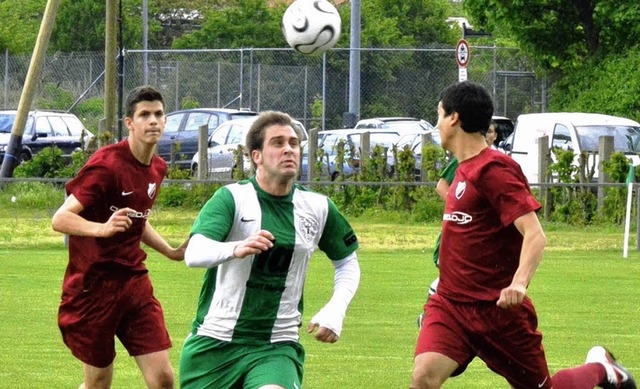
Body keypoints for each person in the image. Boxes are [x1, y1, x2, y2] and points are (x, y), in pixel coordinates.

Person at [411, 81, 636, 389]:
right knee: (423, 377)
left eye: (438, 114)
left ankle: (600, 368)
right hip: (451, 306)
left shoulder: (495, 170)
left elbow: (534, 234)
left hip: (499, 313)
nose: (436, 123)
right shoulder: (461, 168)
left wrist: (518, 283)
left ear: (453, 118)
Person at [179, 110, 361, 389]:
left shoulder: (318, 207)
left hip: (276, 344)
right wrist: (236, 247)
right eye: (277, 143)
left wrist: (336, 309)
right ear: (257, 156)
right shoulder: (231, 198)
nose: (288, 149)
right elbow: (194, 253)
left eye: (293, 142)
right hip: (214, 342)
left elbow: (347, 262)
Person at [51, 86, 187, 389]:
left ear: (165, 121)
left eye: (158, 114)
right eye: (144, 115)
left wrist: (170, 251)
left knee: (163, 379)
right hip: (94, 287)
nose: (153, 121)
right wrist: (101, 228)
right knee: (98, 383)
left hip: (133, 282)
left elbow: (138, 220)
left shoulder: (158, 168)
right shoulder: (107, 165)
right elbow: (60, 219)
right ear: (130, 123)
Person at [416, 121, 496, 328]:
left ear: (495, 136)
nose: (486, 135)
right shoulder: (464, 160)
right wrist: (462, 209)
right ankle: (432, 320)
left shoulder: (497, 163)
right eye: (484, 130)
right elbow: (442, 186)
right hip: (456, 239)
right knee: (451, 284)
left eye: (489, 131)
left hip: (480, 240)